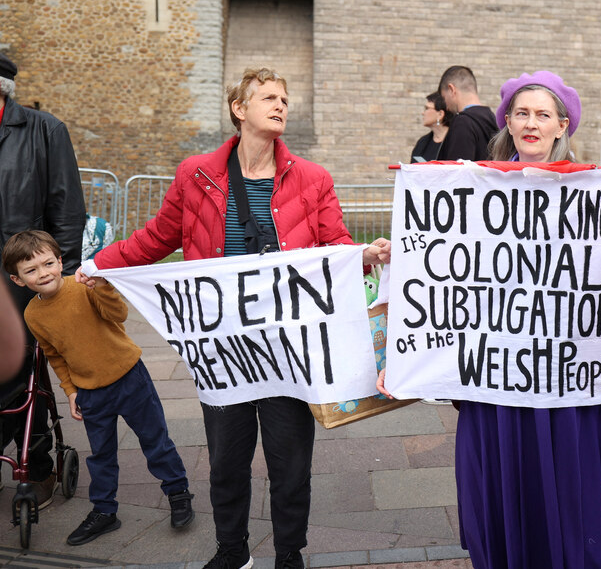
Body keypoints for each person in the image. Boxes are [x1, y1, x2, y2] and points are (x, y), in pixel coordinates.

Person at [78, 67, 391, 569]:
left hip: (290, 346)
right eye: (268, 97)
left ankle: (290, 553)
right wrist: (99, 265)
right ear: (238, 109)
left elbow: (334, 246)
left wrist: (364, 253)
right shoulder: (196, 174)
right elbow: (157, 237)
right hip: (223, 349)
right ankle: (232, 551)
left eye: (285, 98)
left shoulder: (313, 179)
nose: (281, 104)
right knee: (226, 461)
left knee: (291, 463)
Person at [381, 70, 601, 568]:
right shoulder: (470, 187)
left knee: (567, 501)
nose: (531, 123)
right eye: (522, 113)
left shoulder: (595, 192)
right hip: (494, 384)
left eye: (543, 114)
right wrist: (404, 254)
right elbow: (447, 275)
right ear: (508, 123)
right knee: (500, 500)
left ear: (562, 126)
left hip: (564, 384)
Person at [3, 230, 193, 545]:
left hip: (130, 378)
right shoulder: (32, 315)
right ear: (18, 280)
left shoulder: (82, 287)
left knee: (155, 442)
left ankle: (178, 492)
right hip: (90, 391)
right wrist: (71, 390)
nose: (43, 273)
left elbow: (118, 315)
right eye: (31, 270)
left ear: (59, 261)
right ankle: (105, 511)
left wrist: (103, 287)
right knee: (101, 455)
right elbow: (54, 355)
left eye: (48, 263)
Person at [0, 51, 85, 509]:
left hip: (22, 281)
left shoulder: (43, 130)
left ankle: (36, 467)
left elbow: (67, 208)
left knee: (23, 373)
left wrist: (60, 280)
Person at [436, 65, 496, 161]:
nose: (446, 107)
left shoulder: (463, 123)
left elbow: (457, 172)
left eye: (444, 98)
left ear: (452, 90)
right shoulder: (493, 120)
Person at [410, 91, 454, 162]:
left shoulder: (455, 141)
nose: (423, 113)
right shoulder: (422, 143)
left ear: (440, 114)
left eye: (427, 108)